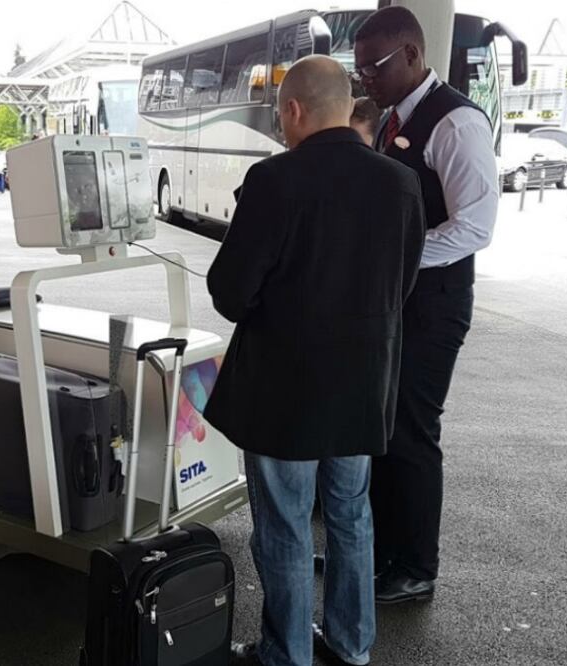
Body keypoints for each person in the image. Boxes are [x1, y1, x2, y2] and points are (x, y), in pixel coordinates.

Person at [204, 55, 425, 666]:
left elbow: (231, 294)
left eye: (281, 115)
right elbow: (403, 284)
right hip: (363, 386)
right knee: (351, 515)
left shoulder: (274, 180)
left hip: (285, 392)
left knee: (285, 522)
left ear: (294, 110)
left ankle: (288, 654)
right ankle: (352, 644)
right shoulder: (400, 182)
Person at [353, 6, 500, 605]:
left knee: (412, 431)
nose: (366, 79)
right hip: (397, 300)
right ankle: (377, 553)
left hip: (434, 305)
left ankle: (414, 567)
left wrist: (396, 258)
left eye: (375, 67)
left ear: (412, 54)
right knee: (382, 427)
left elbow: (475, 227)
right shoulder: (394, 119)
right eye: (360, 70)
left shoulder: (455, 122)